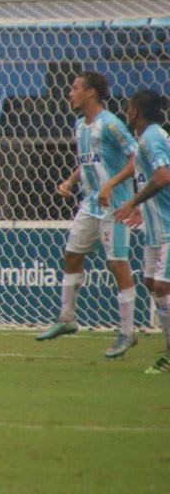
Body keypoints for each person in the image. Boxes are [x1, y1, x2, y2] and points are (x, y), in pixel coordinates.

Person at [37, 72, 138, 358]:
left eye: (75, 88)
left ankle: (127, 331)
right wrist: (70, 180)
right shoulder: (80, 125)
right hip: (90, 204)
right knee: (71, 254)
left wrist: (111, 183)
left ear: (91, 93)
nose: (70, 93)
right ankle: (67, 317)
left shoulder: (112, 125)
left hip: (115, 206)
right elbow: (89, 161)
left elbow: (135, 159)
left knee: (117, 264)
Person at [113, 90, 170, 373]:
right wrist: (140, 207)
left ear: (135, 112)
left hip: (169, 227)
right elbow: (153, 180)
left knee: (162, 286)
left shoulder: (151, 138)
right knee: (151, 282)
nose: (126, 111)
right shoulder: (145, 139)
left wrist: (133, 201)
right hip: (155, 227)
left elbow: (163, 176)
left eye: (128, 106)